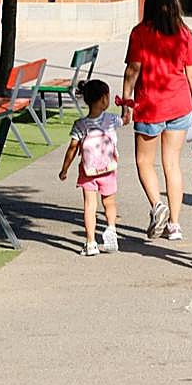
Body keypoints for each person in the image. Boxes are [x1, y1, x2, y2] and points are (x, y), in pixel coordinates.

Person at [122, 0, 192, 241]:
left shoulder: (139, 33)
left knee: (144, 161)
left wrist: (126, 102)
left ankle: (158, 206)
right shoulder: (184, 33)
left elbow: (133, 70)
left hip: (150, 106)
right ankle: (175, 225)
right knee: (172, 164)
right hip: (179, 105)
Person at [58, 79, 122, 256]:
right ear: (104, 99)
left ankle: (91, 242)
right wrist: (126, 106)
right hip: (109, 169)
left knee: (89, 205)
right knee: (109, 202)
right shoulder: (111, 120)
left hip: (88, 172)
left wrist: (64, 169)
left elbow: (72, 148)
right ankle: (111, 228)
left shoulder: (80, 125)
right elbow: (126, 119)